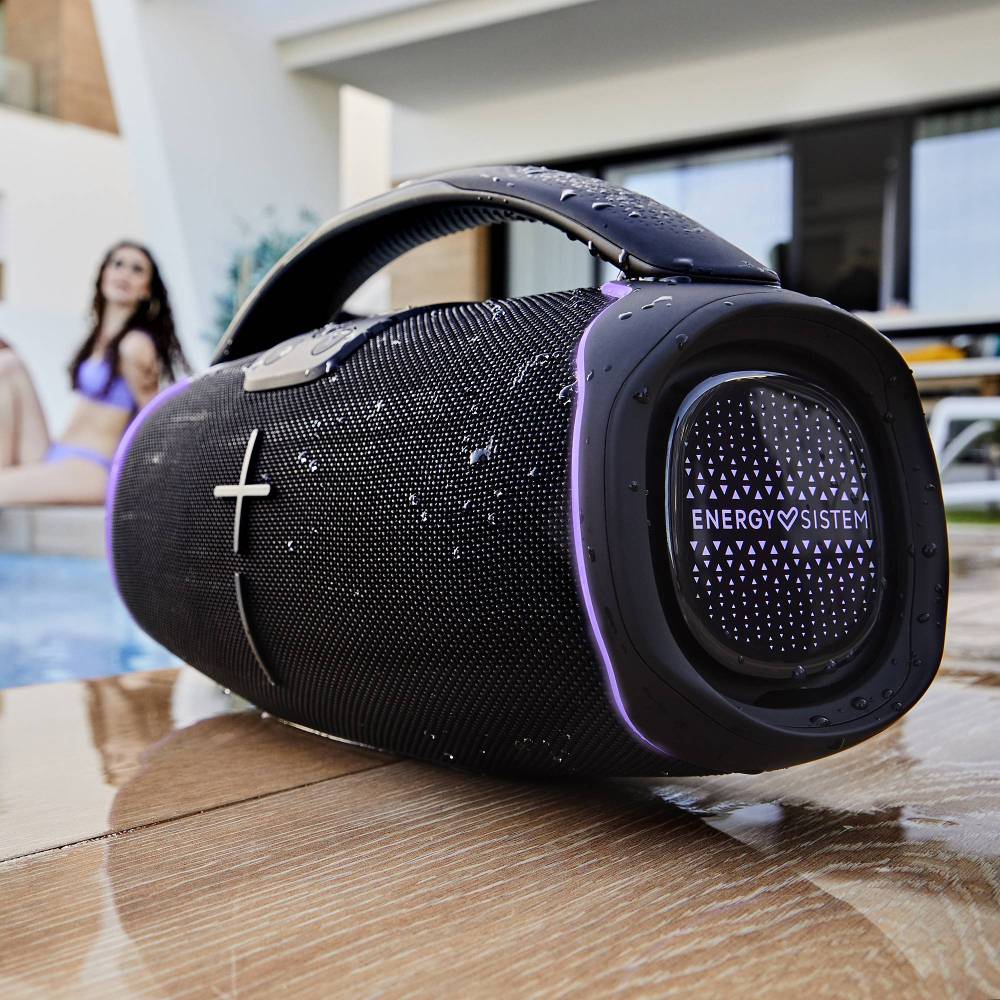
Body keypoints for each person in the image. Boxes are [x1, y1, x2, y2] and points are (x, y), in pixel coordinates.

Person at [0, 241, 187, 505]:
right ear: (103, 275)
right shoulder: (98, 340)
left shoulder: (135, 345)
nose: (124, 273)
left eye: (137, 269)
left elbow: (153, 417)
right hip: (57, 453)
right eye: (117, 264)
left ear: (146, 290)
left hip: (90, 467)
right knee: (9, 364)